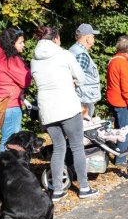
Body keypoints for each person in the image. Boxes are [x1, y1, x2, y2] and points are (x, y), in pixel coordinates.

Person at [31, 26, 97, 201]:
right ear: (55, 39)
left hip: (47, 110)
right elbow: (81, 78)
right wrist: (72, 81)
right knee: (77, 147)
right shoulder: (65, 55)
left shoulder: (34, 59)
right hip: (68, 106)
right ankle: (84, 187)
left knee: (58, 149)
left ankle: (57, 190)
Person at [0, 28, 32, 153]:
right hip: (11, 105)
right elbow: (25, 81)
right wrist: (29, 71)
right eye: (20, 42)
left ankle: (5, 169)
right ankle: (3, 170)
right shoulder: (10, 60)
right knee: (9, 141)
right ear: (11, 44)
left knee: (7, 139)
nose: (23, 45)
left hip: (2, 104)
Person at [106, 36, 128, 160]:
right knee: (124, 132)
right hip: (121, 101)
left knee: (118, 129)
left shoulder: (113, 60)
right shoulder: (123, 63)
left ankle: (116, 155)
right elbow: (127, 88)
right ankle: (120, 159)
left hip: (113, 99)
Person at [69, 23, 101, 118]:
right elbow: (75, 77)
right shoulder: (81, 54)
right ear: (87, 38)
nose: (94, 39)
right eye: (93, 37)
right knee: (85, 126)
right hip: (84, 99)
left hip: (83, 96)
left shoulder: (73, 50)